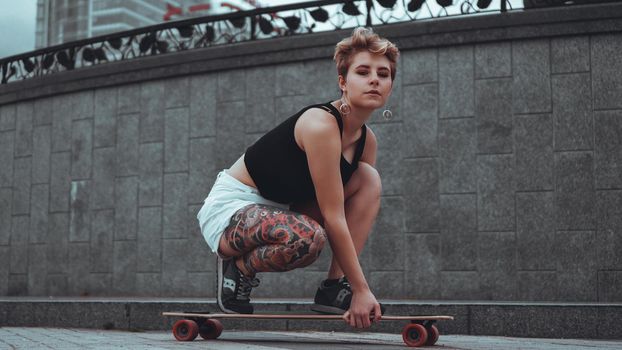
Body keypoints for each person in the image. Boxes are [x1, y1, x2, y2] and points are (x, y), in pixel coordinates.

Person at [196, 27, 399, 329]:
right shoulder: (321, 124)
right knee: (307, 238)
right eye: (363, 71)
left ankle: (332, 288)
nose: (374, 79)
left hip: (283, 211)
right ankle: (238, 268)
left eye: (383, 74)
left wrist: (352, 284)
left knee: (368, 178)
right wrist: (362, 289)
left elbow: (346, 208)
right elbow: (333, 216)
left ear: (390, 85)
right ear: (343, 82)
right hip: (233, 209)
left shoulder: (366, 140)